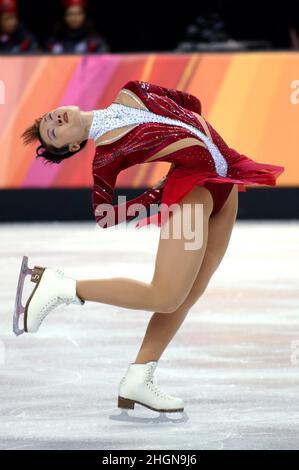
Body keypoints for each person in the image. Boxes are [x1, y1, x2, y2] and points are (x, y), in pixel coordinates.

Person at [16, 79, 285, 413]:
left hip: (224, 185)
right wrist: (158, 194)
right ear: (72, 147)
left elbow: (192, 102)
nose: (53, 122)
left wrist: (190, 153)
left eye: (49, 117)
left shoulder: (133, 90)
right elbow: (103, 213)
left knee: (190, 294)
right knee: (166, 295)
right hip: (192, 194)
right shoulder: (107, 155)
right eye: (52, 133)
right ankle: (62, 287)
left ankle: (139, 378)